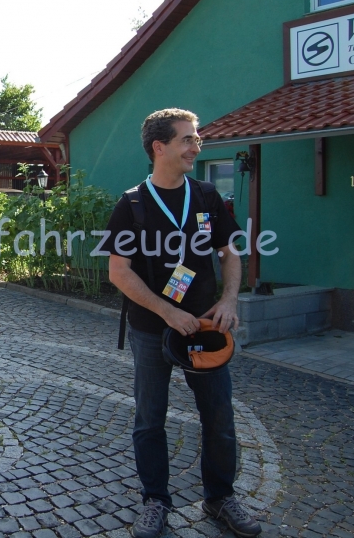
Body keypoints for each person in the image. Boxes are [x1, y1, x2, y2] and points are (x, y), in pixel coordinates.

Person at [103, 109, 262, 538]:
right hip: (153, 328)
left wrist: (230, 299)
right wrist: (167, 311)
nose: (197, 147)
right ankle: (155, 501)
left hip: (207, 327)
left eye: (196, 139)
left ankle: (220, 496)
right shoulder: (132, 203)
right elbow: (120, 273)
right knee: (150, 418)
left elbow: (230, 253)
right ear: (160, 147)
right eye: (188, 140)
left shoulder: (208, 196)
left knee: (218, 415)